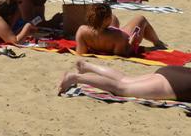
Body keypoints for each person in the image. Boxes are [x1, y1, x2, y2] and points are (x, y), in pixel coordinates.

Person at [58, 60, 191, 101]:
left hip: (173, 72)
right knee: (121, 88)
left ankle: (87, 66)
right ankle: (75, 78)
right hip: (176, 85)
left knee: (125, 79)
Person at [74, 3, 165, 56]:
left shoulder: (81, 30)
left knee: (114, 18)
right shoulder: (117, 36)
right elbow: (122, 55)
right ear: (106, 20)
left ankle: (108, 21)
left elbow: (81, 52)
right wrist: (132, 42)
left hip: (101, 38)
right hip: (121, 40)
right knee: (141, 19)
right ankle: (157, 42)